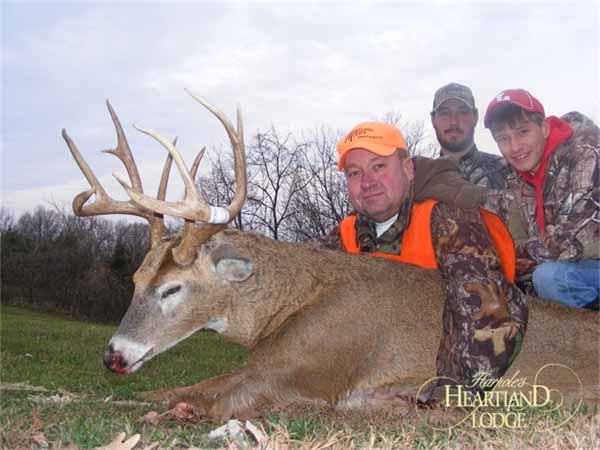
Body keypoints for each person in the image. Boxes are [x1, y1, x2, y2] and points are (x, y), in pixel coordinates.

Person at [324, 120, 528, 395]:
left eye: (379, 166)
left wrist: (451, 396)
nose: (368, 182)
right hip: (388, 360)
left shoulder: (448, 217)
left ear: (408, 169)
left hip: (449, 358)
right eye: (354, 173)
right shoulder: (346, 234)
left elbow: (489, 308)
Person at [483, 89, 600, 310]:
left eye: (523, 132)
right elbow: (510, 241)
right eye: (503, 138)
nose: (515, 146)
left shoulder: (586, 154)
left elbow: (580, 240)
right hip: (575, 268)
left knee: (549, 278)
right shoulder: (516, 181)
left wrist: (520, 255)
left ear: (544, 128)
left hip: (586, 263)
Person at [431, 83, 509, 189]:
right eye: (444, 113)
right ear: (433, 120)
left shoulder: (507, 171)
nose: (453, 121)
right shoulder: (420, 180)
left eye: (462, 112)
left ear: (475, 117)